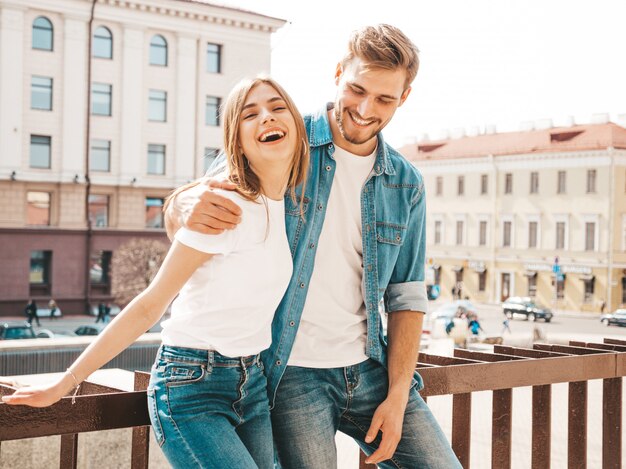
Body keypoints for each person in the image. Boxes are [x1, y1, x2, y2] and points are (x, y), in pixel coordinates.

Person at [166, 24, 460, 469]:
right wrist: (180, 204)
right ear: (338, 73)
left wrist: (399, 395)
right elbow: (199, 204)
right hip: (290, 374)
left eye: (384, 99)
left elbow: (406, 297)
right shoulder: (285, 135)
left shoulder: (405, 183)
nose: (364, 109)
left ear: (404, 98)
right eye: (357, 89)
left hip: (370, 371)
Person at [2, 76, 309, 469]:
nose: (267, 117)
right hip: (191, 386)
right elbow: (151, 304)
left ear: (297, 126)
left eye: (277, 107)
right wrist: (66, 381)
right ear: (238, 140)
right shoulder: (223, 206)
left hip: (252, 384)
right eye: (251, 114)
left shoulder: (282, 205)